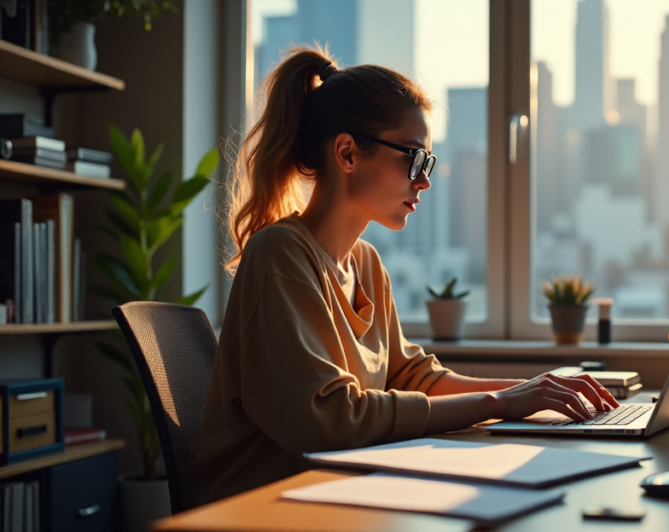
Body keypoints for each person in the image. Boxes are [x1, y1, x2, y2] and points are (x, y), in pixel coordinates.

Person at [186, 47, 620, 508]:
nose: (425, 181)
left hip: (338, 496)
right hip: (260, 511)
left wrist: (532, 393)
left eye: (427, 163)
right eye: (414, 159)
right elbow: (329, 421)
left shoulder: (367, 265)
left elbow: (414, 378)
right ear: (348, 153)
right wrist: (501, 403)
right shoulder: (279, 253)